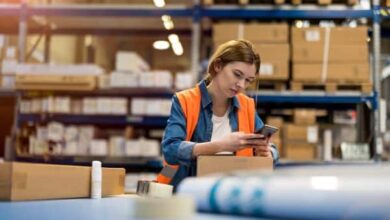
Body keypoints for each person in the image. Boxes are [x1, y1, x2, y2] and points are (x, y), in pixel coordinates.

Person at [157, 39, 279, 188]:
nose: (241, 85)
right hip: (188, 193)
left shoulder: (246, 105)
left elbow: (269, 147)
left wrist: (268, 154)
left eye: (248, 80)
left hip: (232, 194)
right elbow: (171, 149)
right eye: (237, 74)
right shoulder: (185, 101)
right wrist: (221, 146)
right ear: (218, 65)